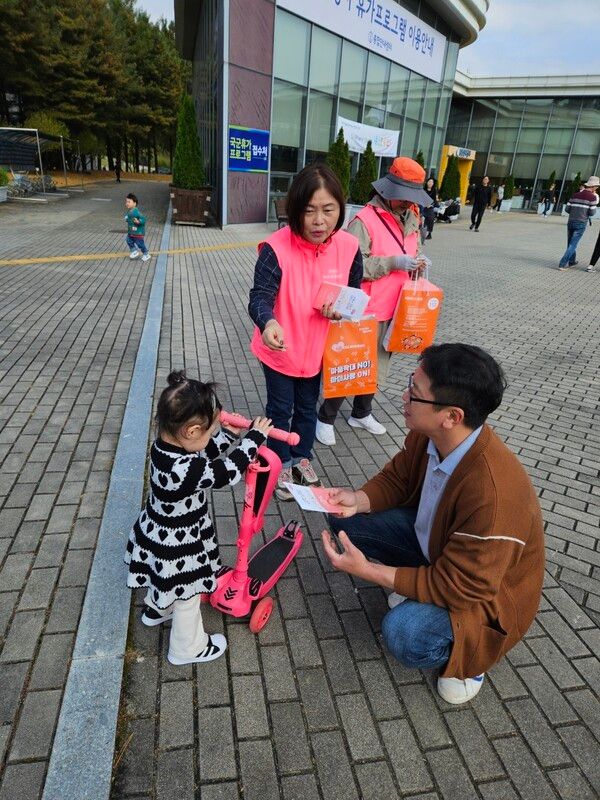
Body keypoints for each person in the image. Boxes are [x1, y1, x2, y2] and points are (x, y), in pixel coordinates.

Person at [321, 343, 544, 705]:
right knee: (342, 514)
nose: (405, 396)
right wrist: (358, 499)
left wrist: (371, 572)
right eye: (412, 381)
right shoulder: (429, 433)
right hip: (439, 549)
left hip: (484, 596)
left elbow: (462, 587)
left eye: (416, 393)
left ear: (452, 416)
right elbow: (399, 478)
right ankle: (416, 583)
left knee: (405, 634)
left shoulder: (493, 495)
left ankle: (472, 658)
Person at [124, 370, 272, 665]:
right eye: (209, 430)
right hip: (179, 546)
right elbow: (224, 472)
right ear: (191, 432)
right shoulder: (184, 469)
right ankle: (186, 648)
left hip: (158, 533)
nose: (211, 435)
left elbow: (203, 455)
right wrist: (254, 438)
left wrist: (229, 434)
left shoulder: (166, 448)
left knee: (163, 578)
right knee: (188, 596)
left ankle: (157, 609)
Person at [248, 163, 363, 500]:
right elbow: (259, 296)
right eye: (309, 211)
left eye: (328, 210)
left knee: (308, 407)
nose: (319, 221)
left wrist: (342, 310)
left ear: (340, 209)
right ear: (295, 210)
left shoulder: (349, 247)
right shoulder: (275, 247)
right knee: (280, 409)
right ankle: (280, 462)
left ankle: (302, 458)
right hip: (280, 349)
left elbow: (352, 293)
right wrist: (268, 322)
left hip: (317, 349)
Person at [315, 157, 432, 447]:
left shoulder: (413, 219)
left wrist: (418, 263)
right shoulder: (364, 221)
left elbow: (414, 250)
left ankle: (361, 412)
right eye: (404, 197)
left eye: (411, 198)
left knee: (378, 367)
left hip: (396, 309)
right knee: (350, 365)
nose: (408, 203)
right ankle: (325, 419)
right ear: (388, 191)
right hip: (365, 309)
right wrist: (393, 262)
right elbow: (353, 267)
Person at [558, 176, 599, 271]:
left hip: (571, 221)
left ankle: (572, 261)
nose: (597, 188)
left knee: (570, 243)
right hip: (581, 223)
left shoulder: (574, 195)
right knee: (573, 244)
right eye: (596, 186)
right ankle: (562, 264)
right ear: (593, 186)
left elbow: (567, 209)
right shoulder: (592, 197)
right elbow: (592, 213)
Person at [124, 193, 151, 262]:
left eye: (129, 202)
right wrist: (127, 219)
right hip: (131, 232)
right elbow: (130, 219)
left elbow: (143, 219)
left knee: (140, 244)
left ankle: (146, 254)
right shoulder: (130, 212)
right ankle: (134, 251)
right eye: (126, 201)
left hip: (137, 233)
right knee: (128, 240)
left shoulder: (137, 212)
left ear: (134, 203)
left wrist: (138, 222)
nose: (127, 203)